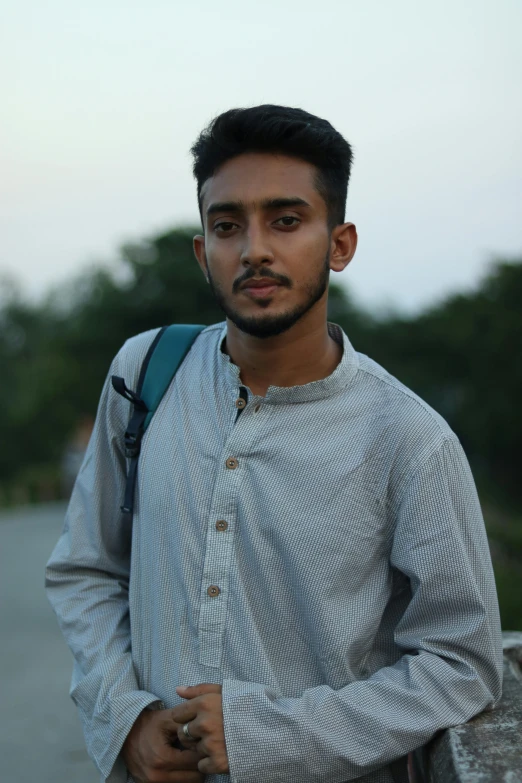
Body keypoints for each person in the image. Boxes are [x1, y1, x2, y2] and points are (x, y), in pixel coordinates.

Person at [46, 105, 503, 783]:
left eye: (286, 221)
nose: (255, 248)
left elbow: (461, 662)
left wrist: (273, 736)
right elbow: (87, 570)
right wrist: (126, 717)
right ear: (204, 252)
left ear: (340, 243)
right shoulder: (146, 373)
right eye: (228, 225)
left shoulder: (408, 438)